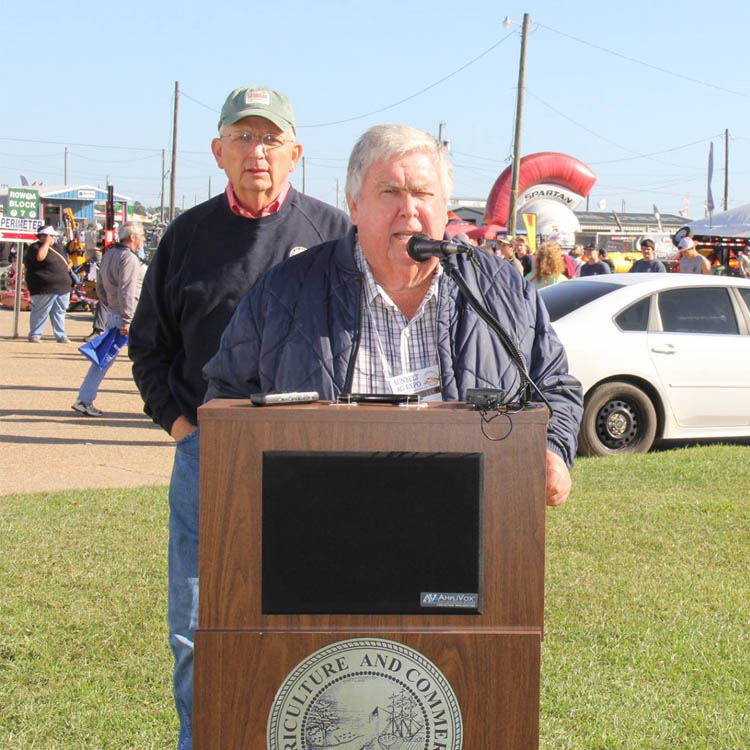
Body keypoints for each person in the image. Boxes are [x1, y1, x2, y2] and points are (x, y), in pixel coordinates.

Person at [128, 85, 350, 750]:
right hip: (210, 458)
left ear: (296, 153)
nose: (259, 151)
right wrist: (182, 428)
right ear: (219, 151)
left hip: (312, 462)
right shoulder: (187, 237)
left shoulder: (334, 234)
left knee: (316, 615)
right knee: (198, 622)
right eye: (245, 137)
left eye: (272, 138)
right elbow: (148, 346)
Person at [204, 124, 583, 508]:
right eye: (389, 192)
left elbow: (553, 386)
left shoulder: (500, 286)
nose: (409, 209)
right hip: (324, 523)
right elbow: (227, 395)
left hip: (469, 519)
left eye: (422, 193)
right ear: (354, 206)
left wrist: (553, 450)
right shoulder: (284, 291)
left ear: (444, 206)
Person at [72, 222, 145, 416]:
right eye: (142, 236)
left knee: (103, 359)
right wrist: (128, 319)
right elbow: (127, 290)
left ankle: (84, 397)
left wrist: (110, 305)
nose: (143, 240)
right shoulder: (128, 258)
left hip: (114, 312)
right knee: (148, 358)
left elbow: (100, 287)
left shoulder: (109, 254)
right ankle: (85, 398)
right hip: (127, 317)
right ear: (132, 238)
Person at [25, 225, 73, 343]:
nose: (52, 238)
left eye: (52, 236)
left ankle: (61, 335)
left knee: (60, 311)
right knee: (41, 311)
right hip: (44, 287)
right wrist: (46, 243)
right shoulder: (35, 247)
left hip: (63, 287)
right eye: (49, 236)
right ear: (42, 236)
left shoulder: (58, 247)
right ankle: (35, 334)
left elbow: (66, 261)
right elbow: (40, 257)